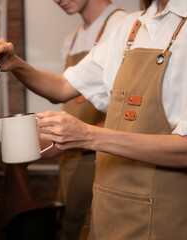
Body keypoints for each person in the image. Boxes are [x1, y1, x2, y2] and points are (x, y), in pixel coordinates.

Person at [0, 0, 187, 239]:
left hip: (166, 218)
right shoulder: (134, 25)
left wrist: (88, 135)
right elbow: (63, 86)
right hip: (107, 209)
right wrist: (15, 64)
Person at [47, 1, 126, 239]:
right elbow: (63, 92)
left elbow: (126, 108)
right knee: (70, 223)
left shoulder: (121, 26)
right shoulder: (71, 39)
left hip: (103, 158)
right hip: (68, 157)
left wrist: (80, 134)